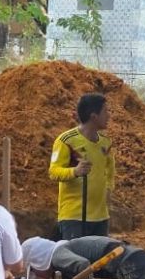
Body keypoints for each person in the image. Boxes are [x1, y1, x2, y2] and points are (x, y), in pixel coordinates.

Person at [49, 93, 115, 240]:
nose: (109, 116)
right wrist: (75, 171)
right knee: (75, 255)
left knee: (99, 255)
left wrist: (109, 188)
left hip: (100, 217)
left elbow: (110, 169)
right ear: (94, 116)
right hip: (74, 218)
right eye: (105, 111)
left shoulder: (106, 142)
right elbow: (53, 172)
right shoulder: (66, 141)